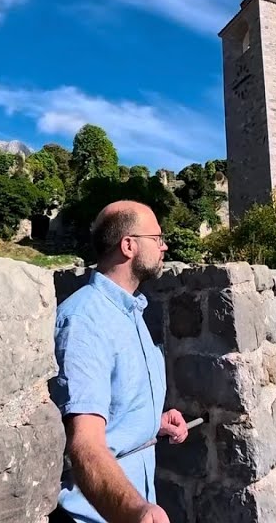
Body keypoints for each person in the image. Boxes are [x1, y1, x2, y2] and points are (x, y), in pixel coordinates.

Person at [48, 200, 190, 523]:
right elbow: (85, 444)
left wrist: (153, 421)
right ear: (128, 245)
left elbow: (112, 413)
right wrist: (134, 511)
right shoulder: (85, 321)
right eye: (157, 238)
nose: (164, 245)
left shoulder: (132, 313)